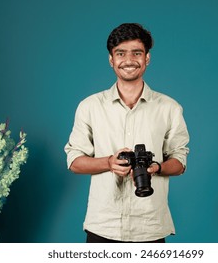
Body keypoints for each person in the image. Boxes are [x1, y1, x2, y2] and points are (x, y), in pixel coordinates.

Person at [64, 23, 190, 243]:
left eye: (137, 53)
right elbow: (74, 161)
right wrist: (109, 162)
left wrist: (156, 167)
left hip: (150, 227)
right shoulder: (90, 106)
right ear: (111, 60)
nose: (129, 60)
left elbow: (179, 161)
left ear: (147, 58)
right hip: (103, 226)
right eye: (120, 53)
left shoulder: (169, 108)